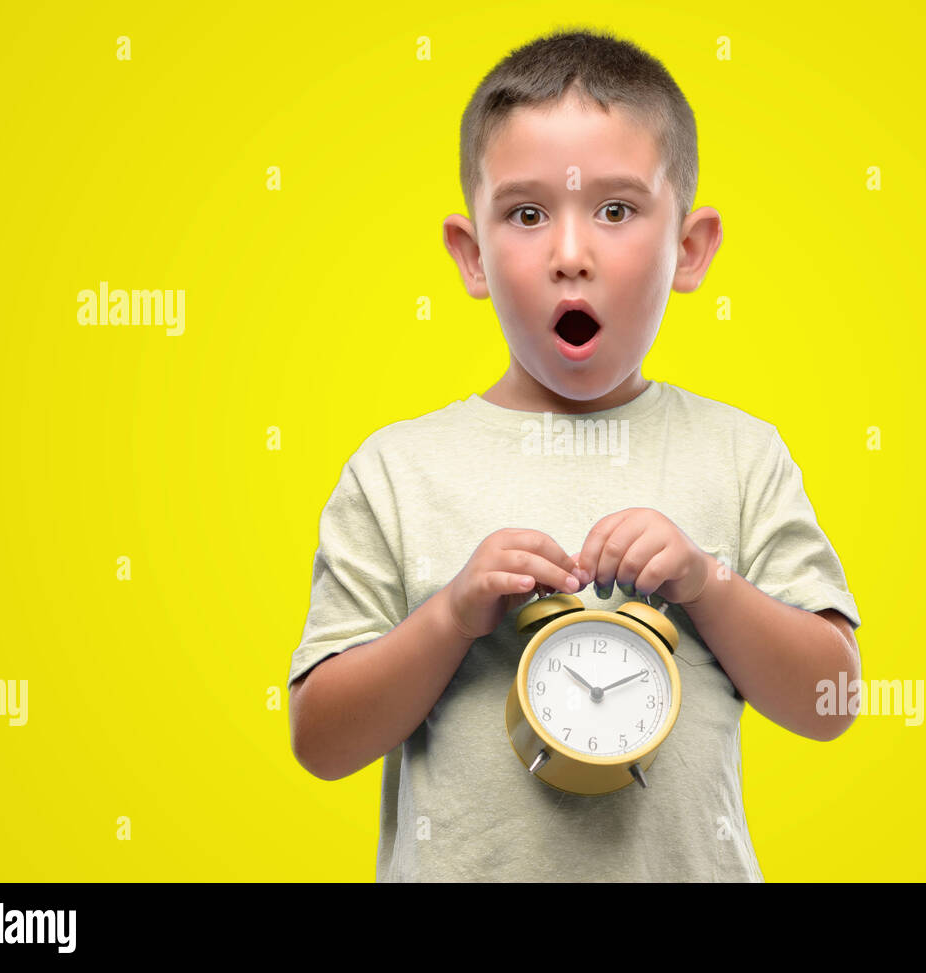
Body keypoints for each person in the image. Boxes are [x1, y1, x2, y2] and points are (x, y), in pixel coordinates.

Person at [287, 27, 862, 882]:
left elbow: (832, 701)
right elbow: (320, 740)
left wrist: (707, 582)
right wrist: (450, 617)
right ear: (472, 256)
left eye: (616, 210)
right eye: (526, 215)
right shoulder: (396, 471)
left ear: (690, 249)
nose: (569, 256)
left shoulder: (743, 454)